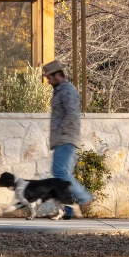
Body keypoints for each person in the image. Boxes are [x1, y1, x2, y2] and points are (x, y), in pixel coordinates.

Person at [42, 58, 92, 218]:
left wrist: (61, 131)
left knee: (59, 172)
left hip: (66, 139)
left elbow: (72, 114)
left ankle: (84, 197)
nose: (48, 81)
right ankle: (68, 211)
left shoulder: (68, 91)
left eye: (49, 77)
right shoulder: (60, 91)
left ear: (57, 75)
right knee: (64, 177)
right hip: (63, 139)